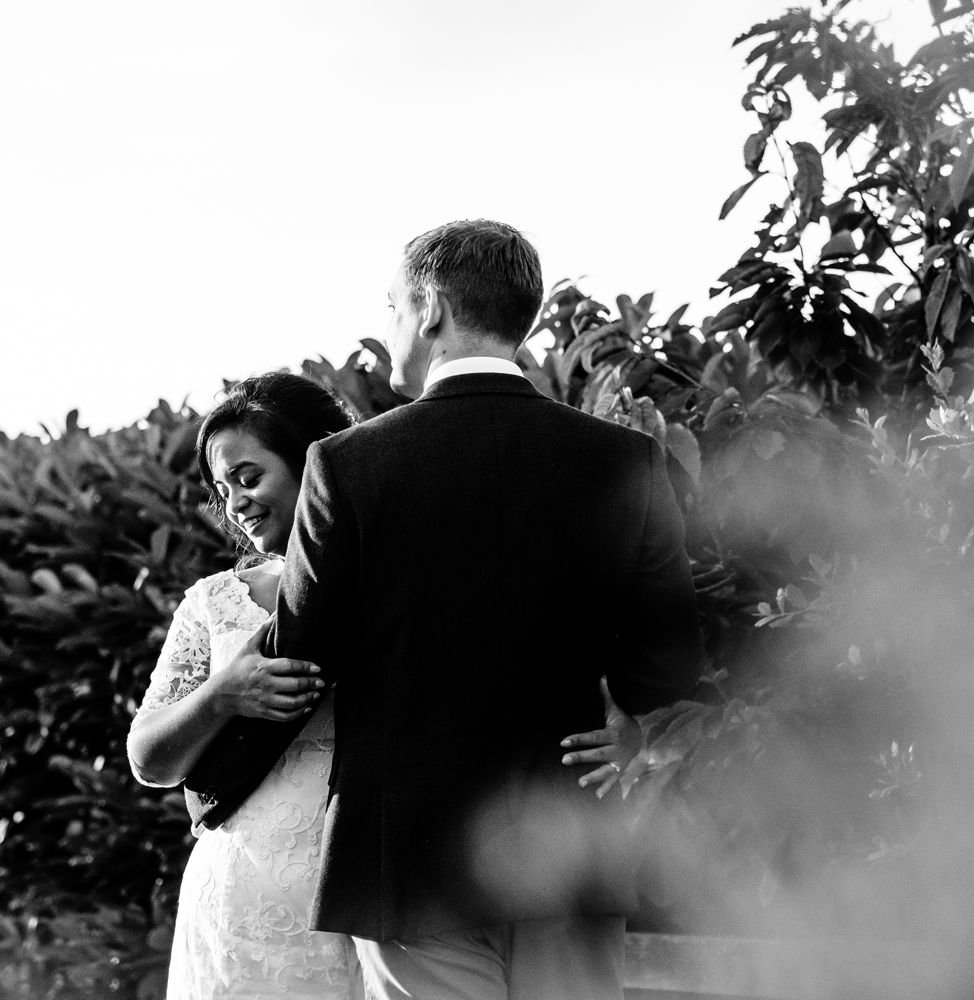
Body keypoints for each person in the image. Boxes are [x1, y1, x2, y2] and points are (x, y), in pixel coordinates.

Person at [183, 220, 704, 1000]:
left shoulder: (349, 463)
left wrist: (215, 746)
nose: (390, 326)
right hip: (570, 837)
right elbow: (673, 655)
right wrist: (629, 720)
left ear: (428, 309)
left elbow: (305, 648)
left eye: (392, 304)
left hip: (408, 855)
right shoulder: (625, 460)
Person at [126, 371, 639, 999]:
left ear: (316, 465)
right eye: (223, 486)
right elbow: (149, 758)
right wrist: (221, 695)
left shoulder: (407, 585)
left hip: (391, 885)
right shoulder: (216, 603)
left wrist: (624, 718)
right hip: (247, 897)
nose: (236, 503)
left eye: (250, 476)